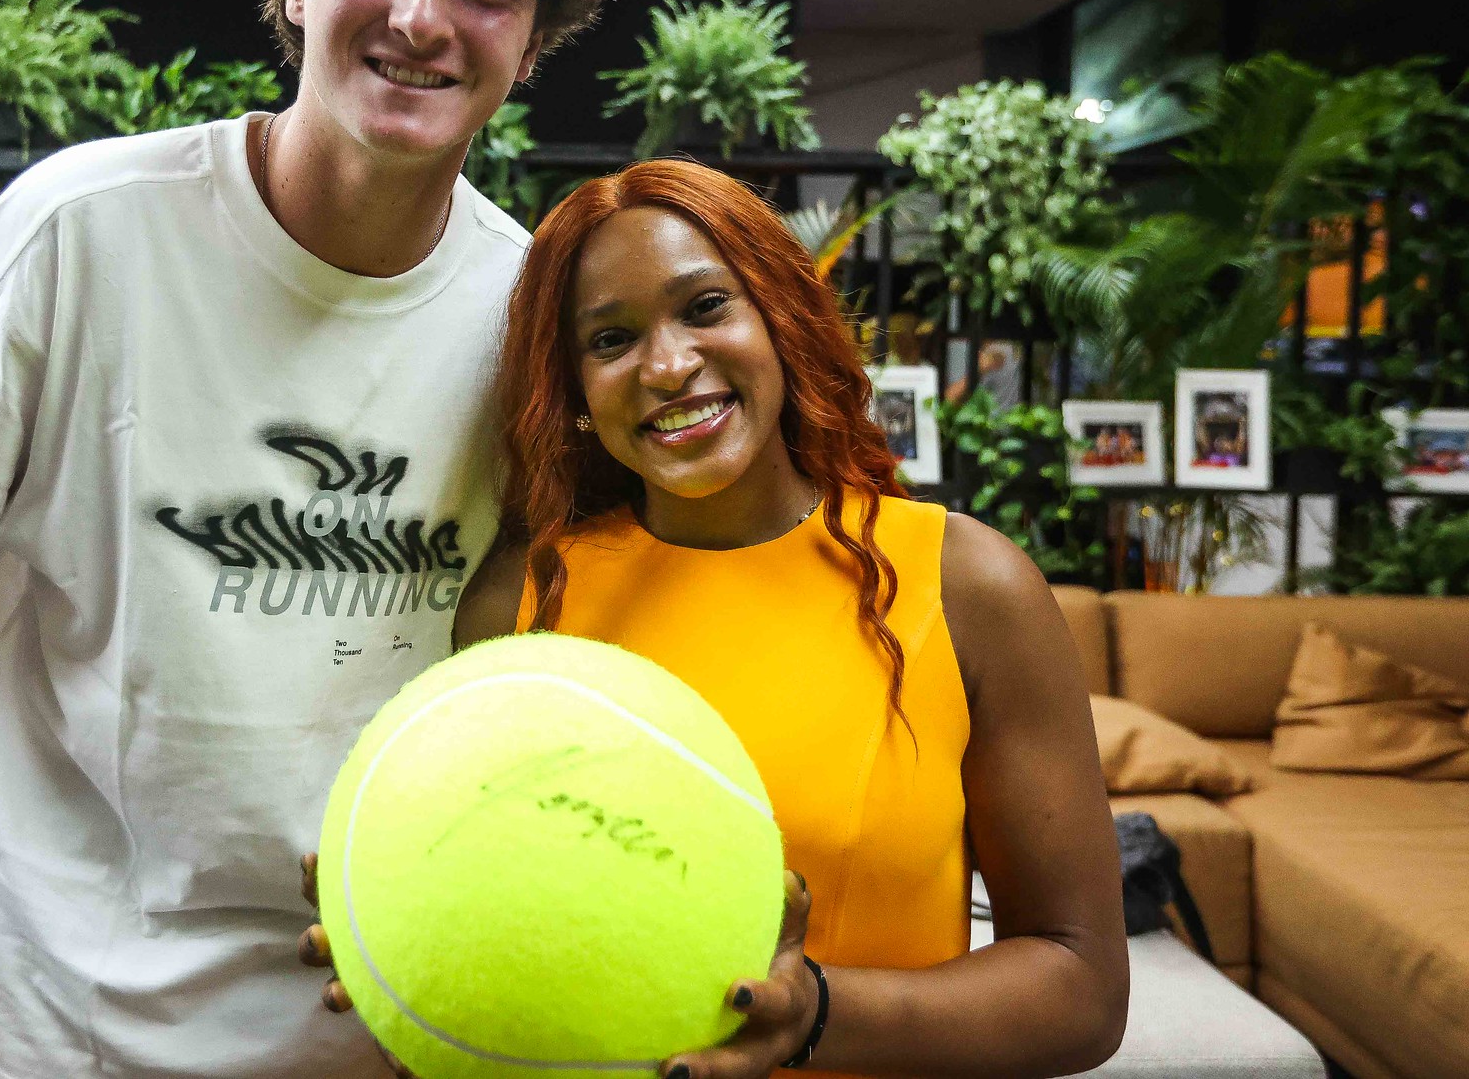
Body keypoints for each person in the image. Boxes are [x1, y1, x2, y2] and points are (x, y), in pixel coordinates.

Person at [0, 0, 615, 1078]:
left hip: (393, 1019)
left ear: (529, 43)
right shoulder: (77, 236)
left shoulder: (531, 305)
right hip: (69, 1023)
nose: (422, 15)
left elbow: (530, 661)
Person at [344, 160, 1129, 1077]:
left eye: (706, 306)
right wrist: (399, 950)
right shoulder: (517, 603)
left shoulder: (966, 584)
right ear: (577, 394)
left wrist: (819, 1011)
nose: (669, 364)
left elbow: (1084, 988)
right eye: (611, 338)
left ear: (780, 321)